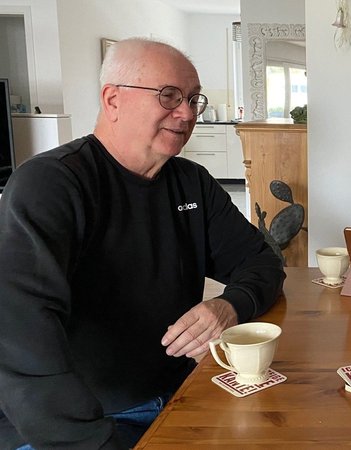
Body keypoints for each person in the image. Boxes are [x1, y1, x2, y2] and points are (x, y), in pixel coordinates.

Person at [0, 38, 285, 448]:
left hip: (179, 395)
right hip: (84, 422)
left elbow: (263, 262)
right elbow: (21, 342)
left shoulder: (192, 182)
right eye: (168, 96)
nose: (186, 113)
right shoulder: (50, 185)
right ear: (113, 100)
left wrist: (229, 305)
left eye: (192, 99)